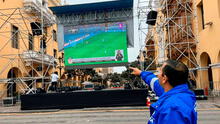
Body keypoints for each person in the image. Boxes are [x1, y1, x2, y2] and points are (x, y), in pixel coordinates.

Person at [130, 59, 197, 124]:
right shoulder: (179, 92)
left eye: (160, 71)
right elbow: (154, 82)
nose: (157, 74)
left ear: (164, 78)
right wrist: (141, 73)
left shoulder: (173, 109)